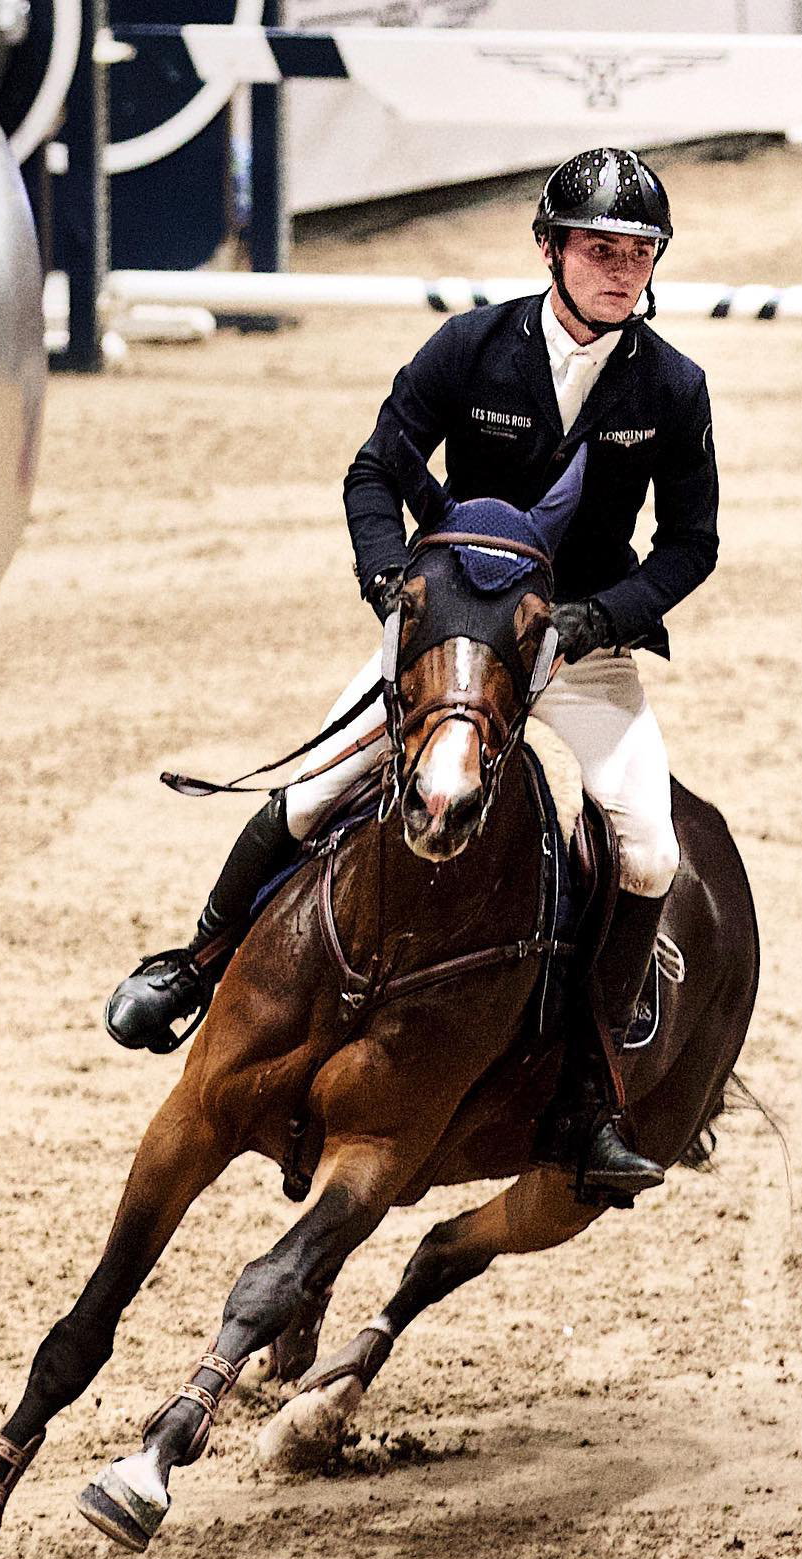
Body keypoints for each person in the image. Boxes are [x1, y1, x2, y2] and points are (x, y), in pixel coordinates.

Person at [104, 147, 719, 1196]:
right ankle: (196, 966)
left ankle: (589, 1093)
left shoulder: (671, 385)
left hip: (578, 644)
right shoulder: (470, 349)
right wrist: (394, 585)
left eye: (639, 253)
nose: (621, 270)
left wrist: (597, 616)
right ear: (550, 250)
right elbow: (376, 471)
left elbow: (689, 545)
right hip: (453, 636)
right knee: (310, 792)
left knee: (652, 850)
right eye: (600, 249)